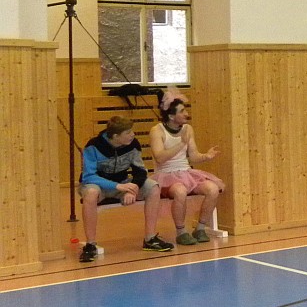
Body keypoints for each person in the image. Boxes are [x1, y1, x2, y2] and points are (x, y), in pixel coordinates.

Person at [78, 116, 174, 262]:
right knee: (91, 194)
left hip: (123, 183)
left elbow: (140, 171)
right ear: (116, 136)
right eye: (128, 132)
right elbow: (88, 176)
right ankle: (90, 245)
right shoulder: (94, 146)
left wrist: (132, 188)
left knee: (153, 187)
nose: (132, 135)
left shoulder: (133, 144)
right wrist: (117, 186)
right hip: (98, 185)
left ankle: (150, 238)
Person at [150, 90, 225, 245]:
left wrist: (206, 156)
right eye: (182, 111)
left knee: (212, 189)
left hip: (186, 172)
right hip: (166, 174)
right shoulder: (157, 131)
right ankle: (181, 232)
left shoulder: (187, 129)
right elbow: (160, 157)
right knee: (180, 191)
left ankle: (200, 228)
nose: (186, 114)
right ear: (171, 116)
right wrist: (181, 143)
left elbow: (193, 156)